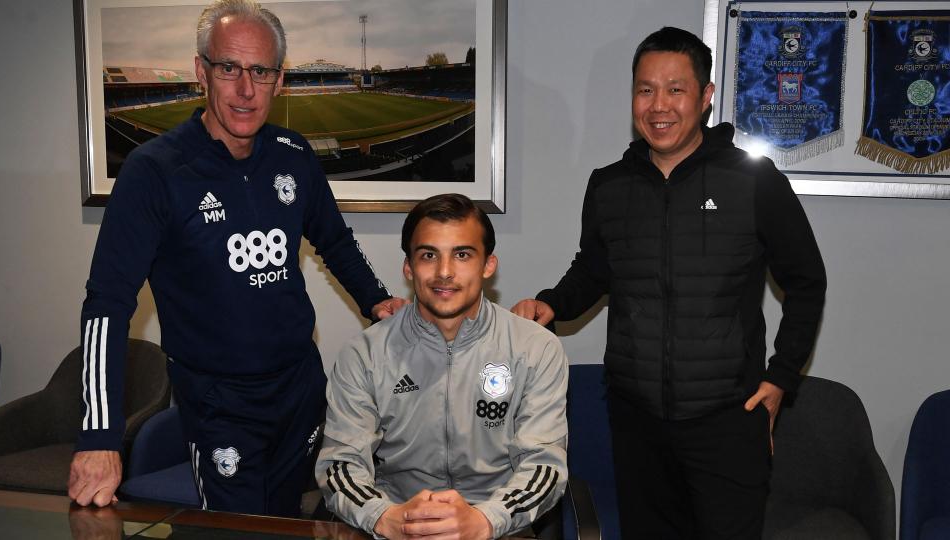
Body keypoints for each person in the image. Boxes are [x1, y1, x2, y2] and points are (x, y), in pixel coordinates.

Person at [68, 0, 406, 517]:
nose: (246, 89)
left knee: (287, 521)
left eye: (260, 71)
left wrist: (376, 301)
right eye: (229, 68)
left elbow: (335, 240)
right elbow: (106, 304)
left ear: (279, 79)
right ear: (201, 71)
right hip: (217, 405)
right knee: (233, 528)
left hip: (300, 389)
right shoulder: (154, 172)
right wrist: (99, 435)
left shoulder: (294, 154)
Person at [512, 27, 827, 539]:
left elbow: (807, 280)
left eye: (675, 89)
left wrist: (782, 378)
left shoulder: (754, 180)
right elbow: (594, 270)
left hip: (728, 419)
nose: (659, 105)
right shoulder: (608, 185)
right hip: (636, 422)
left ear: (705, 97)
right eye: (645, 89)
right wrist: (552, 304)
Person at [315, 194, 568, 540]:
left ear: (488, 265)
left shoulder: (536, 349)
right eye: (428, 255)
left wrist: (484, 521)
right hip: (397, 521)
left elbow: (544, 468)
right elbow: (340, 465)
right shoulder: (365, 354)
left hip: (499, 524)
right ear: (408, 268)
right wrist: (385, 517)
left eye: (462, 254)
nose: (444, 272)